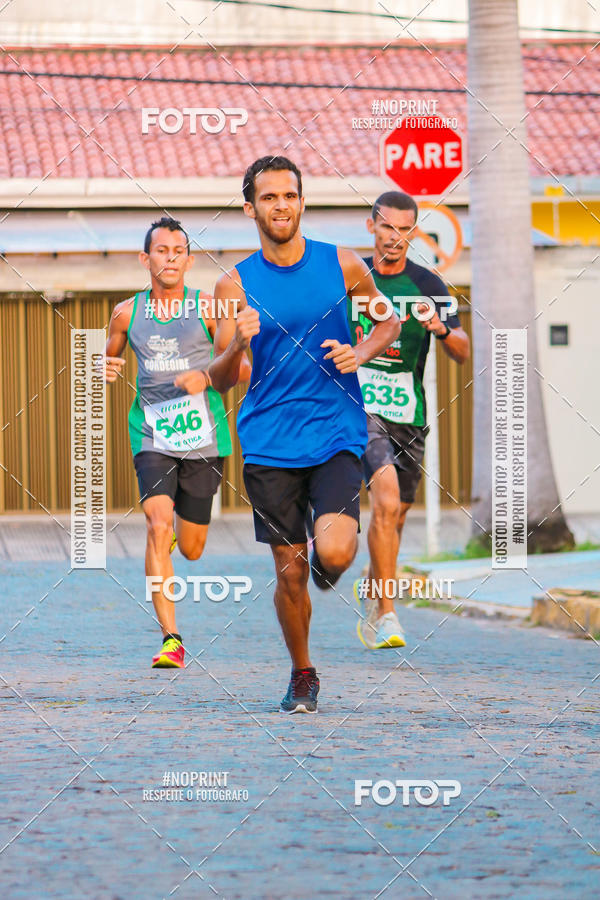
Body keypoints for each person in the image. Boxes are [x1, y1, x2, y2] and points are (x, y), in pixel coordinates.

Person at [209, 156, 401, 713]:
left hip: (335, 430)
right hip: (268, 443)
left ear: (301, 200)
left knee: (336, 554)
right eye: (269, 198)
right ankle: (302, 674)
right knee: (288, 573)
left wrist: (359, 351)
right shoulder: (233, 283)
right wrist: (237, 344)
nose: (281, 206)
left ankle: (328, 562)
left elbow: (388, 320)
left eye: (289, 195)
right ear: (251, 208)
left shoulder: (342, 264)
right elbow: (220, 380)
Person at [102, 216, 250, 668]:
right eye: (161, 251)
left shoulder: (208, 309)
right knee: (156, 524)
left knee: (191, 547)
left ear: (188, 258)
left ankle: (170, 542)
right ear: (146, 259)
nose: (170, 258)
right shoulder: (126, 312)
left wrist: (209, 373)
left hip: (204, 439)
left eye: (178, 251)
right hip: (151, 434)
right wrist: (100, 369)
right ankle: (172, 640)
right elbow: (103, 359)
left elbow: (236, 371)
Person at [349, 191, 470, 649]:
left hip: (410, 414)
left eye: (404, 230)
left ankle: (374, 582)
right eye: (386, 228)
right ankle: (386, 614)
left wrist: (440, 328)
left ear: (414, 232)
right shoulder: (352, 278)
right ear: (371, 227)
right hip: (362, 410)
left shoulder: (429, 285)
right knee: (384, 501)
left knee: (396, 516)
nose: (395, 238)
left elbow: (462, 349)